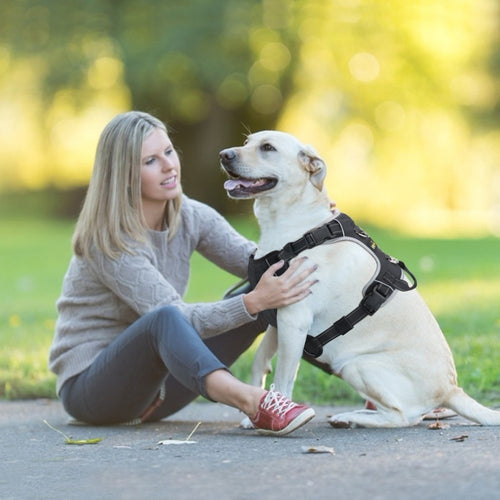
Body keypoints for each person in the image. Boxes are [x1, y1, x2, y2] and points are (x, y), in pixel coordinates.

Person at [49, 110, 318, 436]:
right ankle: (256, 402)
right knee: (168, 318)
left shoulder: (190, 215)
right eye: (150, 161)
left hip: (163, 389)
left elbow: (261, 263)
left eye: (168, 151)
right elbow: (178, 319)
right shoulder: (108, 242)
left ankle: (364, 373)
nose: (168, 165)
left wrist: (330, 249)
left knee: (281, 281)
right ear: (124, 175)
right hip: (94, 392)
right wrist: (252, 302)